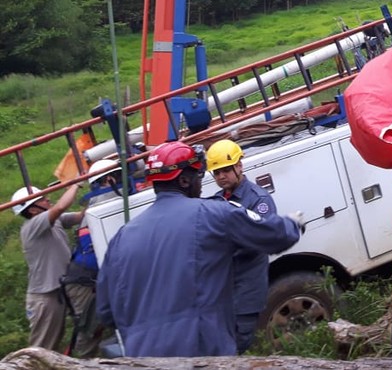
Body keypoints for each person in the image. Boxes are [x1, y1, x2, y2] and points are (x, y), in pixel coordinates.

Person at [96, 141, 304, 357]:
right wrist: (292, 224)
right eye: (199, 176)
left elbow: (106, 311)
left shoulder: (121, 238)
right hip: (202, 351)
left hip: (143, 357)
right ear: (185, 180)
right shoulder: (212, 213)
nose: (203, 184)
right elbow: (273, 236)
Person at [206, 139, 277, 354]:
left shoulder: (258, 200)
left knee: (236, 346)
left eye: (226, 170)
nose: (221, 177)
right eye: (216, 173)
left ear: (239, 166)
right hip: (224, 291)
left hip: (246, 290)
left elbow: (262, 240)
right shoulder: (217, 201)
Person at [62, 160, 122, 357]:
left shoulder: (105, 203)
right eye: (118, 176)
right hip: (84, 282)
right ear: (108, 180)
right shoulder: (103, 204)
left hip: (95, 277)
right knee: (90, 329)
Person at [12, 181, 83, 350]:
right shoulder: (33, 226)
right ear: (33, 210)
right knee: (42, 349)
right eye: (42, 199)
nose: (47, 199)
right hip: (45, 297)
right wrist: (74, 185)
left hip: (58, 289)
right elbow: (59, 208)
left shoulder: (51, 221)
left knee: (56, 341)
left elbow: (80, 216)